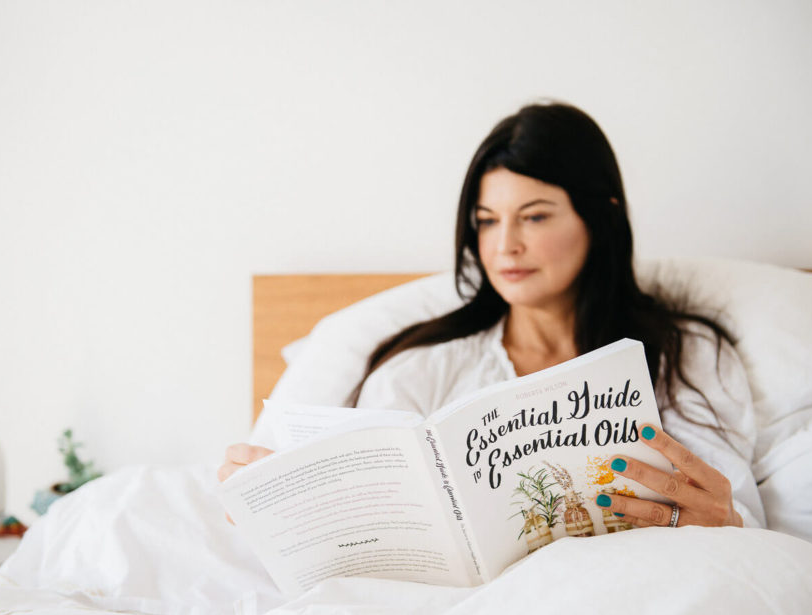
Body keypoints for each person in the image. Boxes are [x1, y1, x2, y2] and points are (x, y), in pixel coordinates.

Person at [220, 102, 765, 530]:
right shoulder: (421, 369)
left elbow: (741, 523)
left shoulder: (686, 355)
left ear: (601, 218)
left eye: (534, 217)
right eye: (486, 221)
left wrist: (725, 521)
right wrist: (282, 496)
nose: (505, 246)